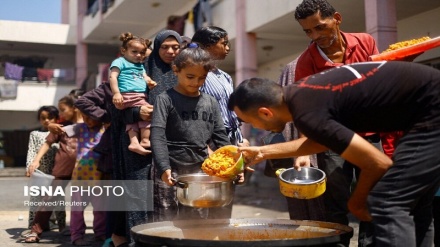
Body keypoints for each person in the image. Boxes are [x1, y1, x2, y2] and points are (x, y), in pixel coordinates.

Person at [228, 61, 440, 247]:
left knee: (386, 202)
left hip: (432, 112)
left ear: (266, 112)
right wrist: (262, 152)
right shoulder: (302, 94)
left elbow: (377, 163)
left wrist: (356, 202)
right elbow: (320, 142)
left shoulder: (307, 113)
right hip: (426, 108)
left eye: (248, 121)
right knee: (415, 204)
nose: (252, 126)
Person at [293, 1, 382, 245]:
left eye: (320, 28)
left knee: (374, 197)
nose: (315, 36)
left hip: (370, 135)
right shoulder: (306, 62)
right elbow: (304, 110)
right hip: (333, 141)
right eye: (308, 31)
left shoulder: (365, 42)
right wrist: (303, 150)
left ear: (337, 18)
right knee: (335, 201)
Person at [150, 46, 231, 220]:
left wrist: (234, 164)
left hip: (200, 169)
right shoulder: (165, 99)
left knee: (197, 217)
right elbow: (157, 135)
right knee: (166, 218)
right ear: (176, 70)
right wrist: (164, 167)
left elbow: (220, 136)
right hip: (170, 167)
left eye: (202, 78)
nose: (196, 82)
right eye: (190, 77)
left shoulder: (210, 102)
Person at [25, 94, 84, 243]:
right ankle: (35, 231)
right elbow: (47, 143)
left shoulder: (90, 124)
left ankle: (81, 235)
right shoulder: (61, 127)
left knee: (82, 203)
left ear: (74, 108)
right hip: (62, 168)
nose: (61, 114)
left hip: (85, 170)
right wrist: (36, 161)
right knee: (49, 199)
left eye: (63, 110)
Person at [143, 29, 183, 223]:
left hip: (180, 143)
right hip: (145, 145)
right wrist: (137, 112)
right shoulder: (143, 70)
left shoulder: (186, 72)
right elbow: (119, 103)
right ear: (157, 48)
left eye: (175, 47)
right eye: (165, 47)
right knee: (150, 200)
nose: (171, 51)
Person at [109, 32, 156, 156]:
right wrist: (116, 93)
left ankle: (134, 142)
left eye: (141, 53)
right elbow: (113, 77)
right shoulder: (120, 62)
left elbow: (144, 76)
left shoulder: (139, 65)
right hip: (129, 95)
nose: (138, 55)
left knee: (132, 120)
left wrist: (149, 82)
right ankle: (145, 140)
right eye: (134, 52)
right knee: (149, 113)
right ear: (124, 50)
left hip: (137, 96)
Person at [24, 106, 66, 236]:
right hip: (40, 172)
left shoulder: (62, 132)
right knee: (35, 200)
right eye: (43, 118)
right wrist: (30, 167)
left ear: (57, 118)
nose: (47, 120)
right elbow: (31, 151)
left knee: (58, 200)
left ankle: (62, 226)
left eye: (50, 117)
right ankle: (32, 227)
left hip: (56, 173)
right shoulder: (35, 134)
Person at [68, 110, 106, 246]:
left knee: (100, 208)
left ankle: (101, 233)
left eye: (90, 117)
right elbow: (61, 130)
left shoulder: (105, 128)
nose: (87, 121)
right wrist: (52, 127)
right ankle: (76, 235)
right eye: (84, 117)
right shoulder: (80, 127)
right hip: (79, 176)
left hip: (97, 176)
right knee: (77, 209)